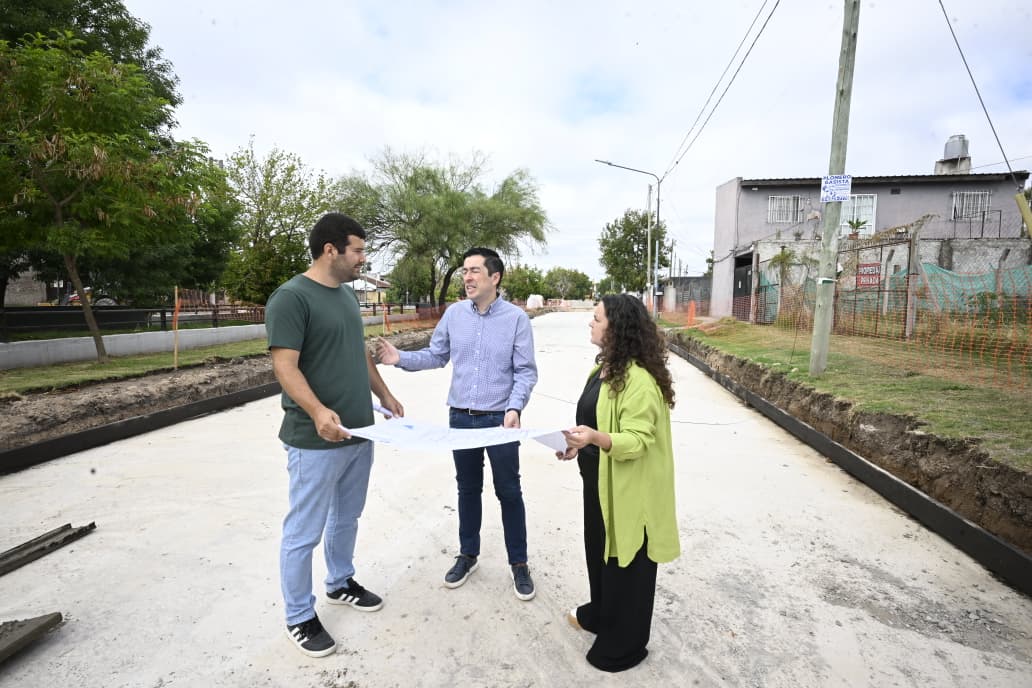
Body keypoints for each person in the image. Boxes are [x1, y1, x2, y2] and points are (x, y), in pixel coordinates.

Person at [266, 212, 405, 658]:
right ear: (331, 250)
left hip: (359, 433)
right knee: (303, 531)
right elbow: (285, 366)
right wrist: (318, 410)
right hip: (315, 439)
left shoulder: (346, 297)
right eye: (358, 250)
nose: (363, 258)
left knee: (347, 517)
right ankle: (298, 615)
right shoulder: (291, 298)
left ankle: (340, 581)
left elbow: (357, 353)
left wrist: (385, 393)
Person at [376, 247, 539, 601]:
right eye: (465, 270)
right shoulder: (453, 315)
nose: (467, 277)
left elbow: (525, 372)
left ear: (495, 277)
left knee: (509, 491)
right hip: (460, 418)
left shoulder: (515, 320)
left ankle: (519, 563)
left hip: (500, 420)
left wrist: (514, 408)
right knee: (467, 489)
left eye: (475, 271)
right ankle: (468, 554)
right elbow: (436, 355)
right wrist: (398, 357)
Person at [556, 293, 680, 672]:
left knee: (629, 562)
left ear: (617, 329)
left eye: (596, 318)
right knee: (600, 552)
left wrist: (594, 439)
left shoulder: (638, 382)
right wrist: (580, 445)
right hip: (598, 482)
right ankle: (602, 613)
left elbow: (637, 440)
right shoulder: (603, 371)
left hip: (631, 491)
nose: (589, 323)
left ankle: (625, 644)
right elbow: (596, 423)